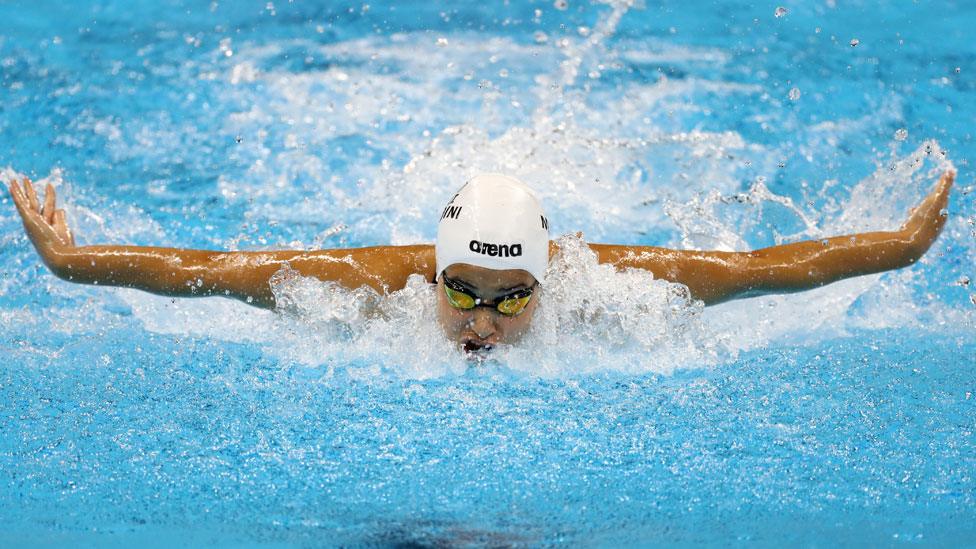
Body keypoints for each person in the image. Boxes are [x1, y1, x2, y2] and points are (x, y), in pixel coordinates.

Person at [7, 171, 955, 353]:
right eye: (462, 289)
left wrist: (904, 249)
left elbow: (765, 269)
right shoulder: (379, 284)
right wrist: (74, 261)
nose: (483, 322)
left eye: (512, 298)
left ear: (549, 279)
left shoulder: (604, 281)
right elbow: (209, 267)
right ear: (435, 271)